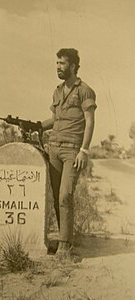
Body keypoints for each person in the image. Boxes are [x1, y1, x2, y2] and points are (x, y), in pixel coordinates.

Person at [41, 48, 97, 260]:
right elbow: (54, 120)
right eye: (56, 63)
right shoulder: (57, 91)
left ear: (73, 66)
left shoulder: (85, 91)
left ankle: (66, 246)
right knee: (57, 196)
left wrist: (84, 150)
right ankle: (63, 239)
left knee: (66, 194)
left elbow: (90, 122)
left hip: (73, 150)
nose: (58, 67)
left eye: (62, 63)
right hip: (53, 147)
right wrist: (35, 125)